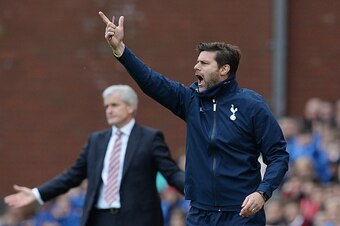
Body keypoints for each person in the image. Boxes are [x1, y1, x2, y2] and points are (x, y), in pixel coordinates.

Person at [99, 12, 290, 226]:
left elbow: (278, 156)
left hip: (242, 214)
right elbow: (152, 82)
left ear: (224, 69)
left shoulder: (252, 105)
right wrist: (120, 50)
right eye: (197, 61)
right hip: (200, 214)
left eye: (204, 63)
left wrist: (262, 193)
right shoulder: (190, 100)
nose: (196, 67)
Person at [4, 84, 185, 226]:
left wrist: (199, 192)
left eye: (114, 105)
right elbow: (72, 176)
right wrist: (37, 193)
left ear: (130, 107)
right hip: (100, 218)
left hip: (137, 219)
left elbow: (172, 173)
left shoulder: (150, 138)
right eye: (106, 106)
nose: (109, 110)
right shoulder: (96, 141)